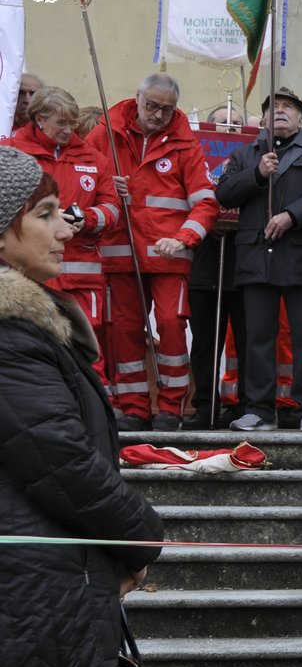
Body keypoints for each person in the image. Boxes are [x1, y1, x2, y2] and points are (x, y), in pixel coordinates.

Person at [0, 147, 165, 667]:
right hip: (29, 607)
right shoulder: (7, 335)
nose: (68, 224)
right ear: (3, 234)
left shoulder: (31, 323)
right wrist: (138, 533)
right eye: (46, 212)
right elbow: (57, 459)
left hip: (42, 596)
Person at [89, 74, 221, 431]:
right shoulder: (105, 132)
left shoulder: (185, 144)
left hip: (168, 256)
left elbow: (206, 203)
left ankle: (171, 409)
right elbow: (81, 177)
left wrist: (182, 239)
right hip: (120, 253)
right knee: (125, 332)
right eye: (153, 106)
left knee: (171, 327)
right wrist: (105, 185)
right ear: (137, 98)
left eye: (167, 108)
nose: (159, 114)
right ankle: (133, 408)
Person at [216, 87, 302, 433]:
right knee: (257, 336)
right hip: (256, 258)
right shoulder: (245, 155)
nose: (280, 112)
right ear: (265, 118)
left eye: (289, 107)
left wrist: (291, 215)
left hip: (301, 258)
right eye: (273, 108)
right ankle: (258, 409)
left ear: (301, 118)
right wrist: (256, 174)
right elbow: (223, 192)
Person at [0, 85, 120, 384]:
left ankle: (97, 403)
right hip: (29, 269)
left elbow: (113, 209)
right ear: (39, 119)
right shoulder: (12, 152)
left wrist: (88, 219)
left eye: (72, 123)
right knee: (37, 337)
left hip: (82, 269)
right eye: (61, 123)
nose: (69, 130)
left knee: (88, 341)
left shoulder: (94, 158)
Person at [186, 103, 250, 429]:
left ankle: (244, 405)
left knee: (246, 341)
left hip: (243, 262)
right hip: (204, 261)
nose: (228, 128)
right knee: (204, 343)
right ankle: (204, 406)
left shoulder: (253, 156)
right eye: (222, 122)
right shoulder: (195, 156)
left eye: (236, 123)